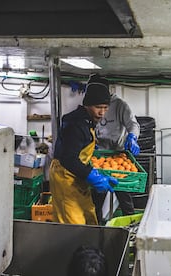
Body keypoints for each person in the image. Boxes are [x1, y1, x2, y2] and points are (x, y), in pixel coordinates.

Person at [49, 81, 118, 225]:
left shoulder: (88, 121)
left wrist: (95, 173)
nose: (102, 112)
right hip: (65, 177)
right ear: (87, 105)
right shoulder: (75, 124)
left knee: (89, 217)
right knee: (73, 223)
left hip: (78, 178)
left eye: (105, 108)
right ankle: (72, 247)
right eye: (98, 107)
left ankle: (90, 246)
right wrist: (92, 176)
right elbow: (68, 159)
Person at [88, 74, 140, 222]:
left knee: (124, 195)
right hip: (99, 157)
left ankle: (130, 226)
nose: (102, 110)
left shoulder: (119, 105)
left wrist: (133, 137)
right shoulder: (90, 105)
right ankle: (96, 226)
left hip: (118, 156)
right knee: (97, 196)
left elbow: (133, 124)